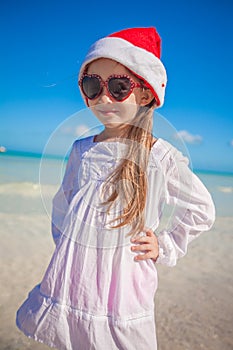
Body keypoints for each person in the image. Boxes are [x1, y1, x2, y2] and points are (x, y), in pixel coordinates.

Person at [16, 27, 215, 350]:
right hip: (76, 276)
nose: (104, 98)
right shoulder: (81, 149)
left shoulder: (158, 155)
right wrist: (70, 248)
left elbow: (201, 209)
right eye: (93, 85)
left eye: (119, 87)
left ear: (146, 94)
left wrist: (163, 245)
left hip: (125, 279)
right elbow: (62, 206)